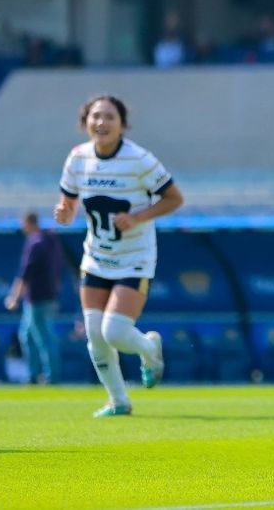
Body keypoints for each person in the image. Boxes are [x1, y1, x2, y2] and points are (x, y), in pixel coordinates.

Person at [55, 95, 184, 417]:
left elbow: (174, 198)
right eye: (95, 116)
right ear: (85, 122)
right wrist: (64, 212)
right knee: (96, 337)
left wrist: (138, 217)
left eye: (109, 117)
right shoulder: (77, 158)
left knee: (115, 332)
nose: (101, 122)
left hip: (135, 257)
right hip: (96, 257)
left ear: (122, 124)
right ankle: (119, 401)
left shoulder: (139, 159)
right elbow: (69, 203)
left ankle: (150, 348)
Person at [4, 211, 65, 384]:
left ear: (29, 223)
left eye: (23, 224)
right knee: (28, 335)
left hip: (37, 299)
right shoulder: (51, 240)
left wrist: (14, 297)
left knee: (44, 337)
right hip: (49, 297)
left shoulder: (36, 242)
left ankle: (51, 377)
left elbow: (25, 273)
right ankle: (34, 375)